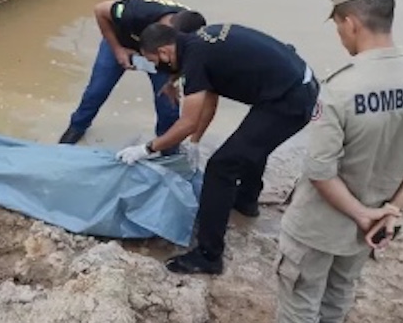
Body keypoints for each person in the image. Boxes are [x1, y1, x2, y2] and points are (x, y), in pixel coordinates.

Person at [263, 0, 403, 323]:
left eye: (338, 26)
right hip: (373, 225)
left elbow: (319, 171)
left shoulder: (341, 89)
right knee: (339, 288)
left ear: (350, 23)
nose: (340, 35)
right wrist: (390, 211)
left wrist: (362, 213)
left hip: (322, 224)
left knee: (300, 294)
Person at [115, 21, 319, 275]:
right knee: (251, 146)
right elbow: (209, 103)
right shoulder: (200, 42)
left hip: (290, 102)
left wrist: (147, 148)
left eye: (155, 61)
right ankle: (246, 201)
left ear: (166, 52)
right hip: (292, 86)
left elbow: (187, 122)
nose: (157, 68)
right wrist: (195, 142)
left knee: (221, 167)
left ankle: (209, 255)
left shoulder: (195, 61)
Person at [58, 0, 207, 151]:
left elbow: (190, 62)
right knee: (97, 90)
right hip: (122, 42)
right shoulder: (136, 11)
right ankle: (77, 126)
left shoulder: (193, 33)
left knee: (168, 103)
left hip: (163, 58)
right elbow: (100, 10)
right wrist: (117, 49)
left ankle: (167, 147)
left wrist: (173, 80)